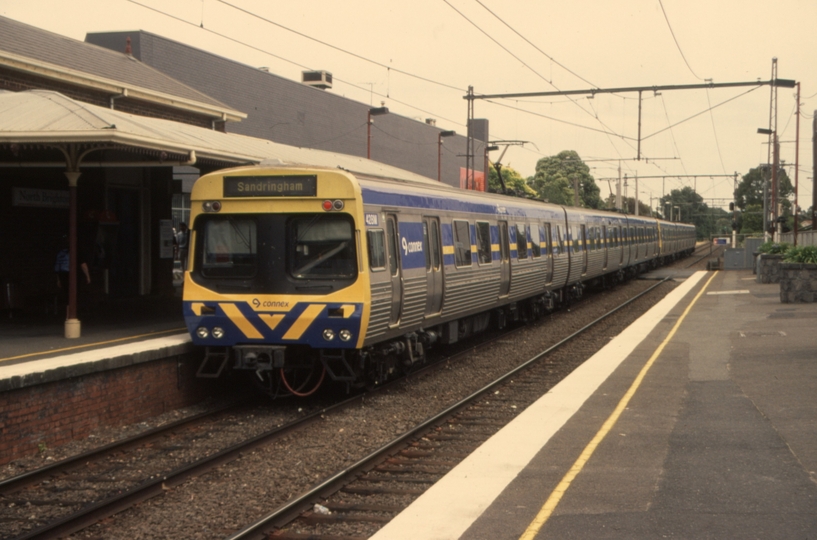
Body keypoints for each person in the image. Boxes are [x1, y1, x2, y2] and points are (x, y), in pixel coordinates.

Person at [55, 237, 90, 317]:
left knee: (67, 296)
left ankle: (68, 315)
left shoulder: (61, 252)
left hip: (63, 276)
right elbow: (83, 265)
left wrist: (58, 279)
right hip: (74, 277)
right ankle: (73, 316)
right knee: (74, 295)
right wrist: (88, 276)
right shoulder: (77, 251)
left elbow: (57, 266)